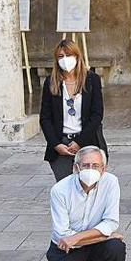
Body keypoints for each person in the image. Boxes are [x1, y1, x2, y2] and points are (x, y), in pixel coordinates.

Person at [47, 146, 125, 261]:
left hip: (87, 242)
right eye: (85, 165)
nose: (91, 170)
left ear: (103, 169)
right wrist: (105, 235)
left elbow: (111, 221)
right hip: (65, 249)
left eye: (96, 166)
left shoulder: (111, 182)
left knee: (117, 248)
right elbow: (63, 237)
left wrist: (81, 237)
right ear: (76, 168)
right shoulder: (60, 190)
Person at [40, 39, 107, 182]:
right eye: (60, 56)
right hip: (61, 143)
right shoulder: (51, 82)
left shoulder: (91, 80)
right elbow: (45, 117)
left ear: (77, 56)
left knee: (89, 186)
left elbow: (97, 115)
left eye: (69, 55)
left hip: (87, 140)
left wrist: (79, 142)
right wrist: (56, 144)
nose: (65, 60)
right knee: (65, 189)